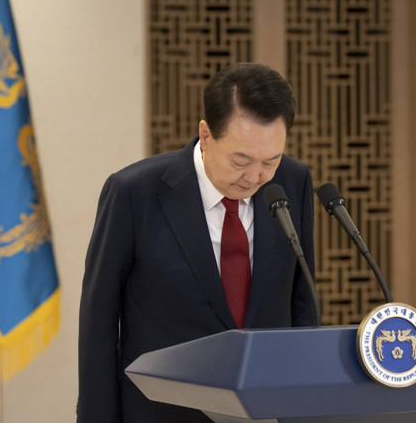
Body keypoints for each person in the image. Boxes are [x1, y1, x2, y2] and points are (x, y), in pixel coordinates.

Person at [77, 63, 317, 422]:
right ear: (206, 135)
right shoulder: (134, 193)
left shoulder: (292, 182)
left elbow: (302, 301)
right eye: (241, 160)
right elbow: (99, 322)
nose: (255, 177)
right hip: (162, 412)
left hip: (265, 410)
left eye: (271, 160)